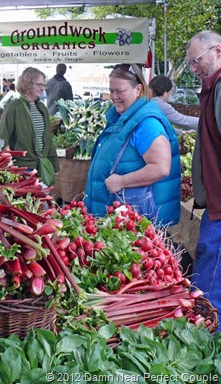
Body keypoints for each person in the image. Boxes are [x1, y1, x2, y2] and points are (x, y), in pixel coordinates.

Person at [84, 64, 181, 227]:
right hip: (119, 218)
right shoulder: (123, 117)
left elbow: (160, 168)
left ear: (138, 89)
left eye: (120, 91)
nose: (114, 96)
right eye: (111, 90)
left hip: (135, 222)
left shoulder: (147, 123)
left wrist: (121, 181)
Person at [185, 31, 221, 326]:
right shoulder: (212, 88)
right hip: (215, 199)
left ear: (217, 50)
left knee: (210, 276)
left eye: (196, 61)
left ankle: (206, 341)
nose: (193, 68)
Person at [0, 67, 59, 176]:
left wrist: (54, 165)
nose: (42, 88)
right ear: (27, 84)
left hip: (42, 167)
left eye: (43, 85)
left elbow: (48, 139)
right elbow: (2, 140)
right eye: (39, 85)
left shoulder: (42, 108)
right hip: (22, 169)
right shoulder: (14, 108)